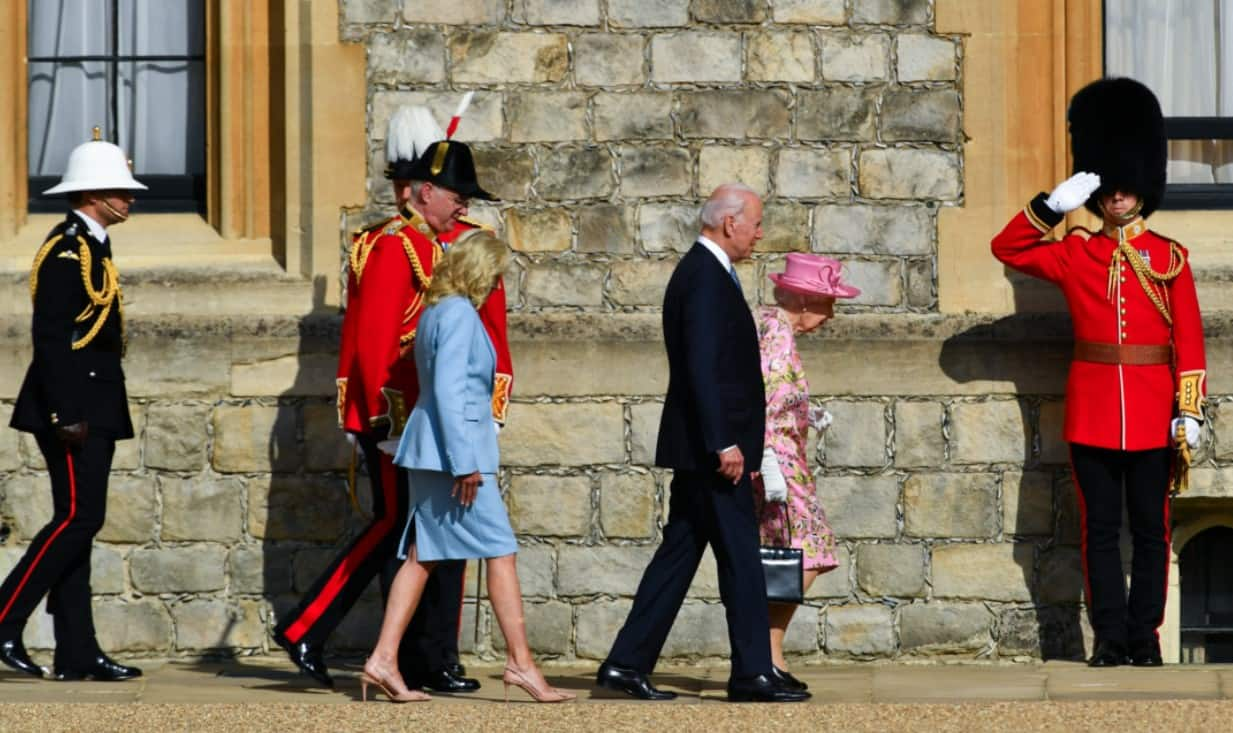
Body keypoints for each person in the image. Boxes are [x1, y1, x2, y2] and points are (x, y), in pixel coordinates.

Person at [273, 105, 512, 693]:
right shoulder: (392, 245)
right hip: (404, 421)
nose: (463, 205)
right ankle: (316, 628)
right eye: (453, 193)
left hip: (434, 417)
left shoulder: (439, 245)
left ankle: (423, 655)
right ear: (421, 191)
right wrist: (382, 420)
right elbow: (378, 342)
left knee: (426, 534)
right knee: (402, 530)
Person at [991, 77, 1205, 668]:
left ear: (1142, 187)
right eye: (1108, 188)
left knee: (1154, 532)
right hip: (1092, 412)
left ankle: (1145, 635)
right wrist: (1048, 208)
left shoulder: (1169, 257)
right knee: (1101, 533)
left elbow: (1188, 339)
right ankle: (1110, 636)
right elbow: (1005, 248)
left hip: (1153, 409)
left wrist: (1189, 408)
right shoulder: (1077, 250)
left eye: (1126, 186)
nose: (1116, 197)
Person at [596, 184, 810, 703]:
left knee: (679, 555)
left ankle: (626, 663)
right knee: (739, 557)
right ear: (730, 222)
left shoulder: (709, 272)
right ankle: (752, 672)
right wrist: (724, 443)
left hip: (708, 449)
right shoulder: (703, 277)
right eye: (755, 224)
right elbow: (702, 368)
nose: (760, 234)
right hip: (714, 452)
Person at [360, 232, 573, 704]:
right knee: (500, 550)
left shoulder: (439, 311)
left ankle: (382, 660)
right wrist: (466, 464)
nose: (498, 286)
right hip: (453, 456)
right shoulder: (457, 314)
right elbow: (452, 393)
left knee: (423, 557)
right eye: (495, 276)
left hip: (433, 451)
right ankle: (520, 663)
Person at [0, 130, 146, 681]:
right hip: (72, 406)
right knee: (77, 519)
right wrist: (65, 412)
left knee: (80, 527)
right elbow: (53, 337)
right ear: (91, 195)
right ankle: (5, 617)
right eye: (119, 191)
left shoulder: (94, 245)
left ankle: (78, 650)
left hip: (95, 401)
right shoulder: (67, 249)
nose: (129, 199)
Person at [753, 253, 856, 690]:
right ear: (804, 301)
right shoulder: (776, 332)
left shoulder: (773, 327)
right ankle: (766, 651)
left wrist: (807, 415)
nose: (831, 314)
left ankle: (768, 654)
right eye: (827, 303)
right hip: (777, 461)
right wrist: (770, 457)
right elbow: (767, 399)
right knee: (806, 551)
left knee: (793, 553)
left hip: (784, 455)